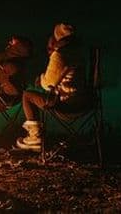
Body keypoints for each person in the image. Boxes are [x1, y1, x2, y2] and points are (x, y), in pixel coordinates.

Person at [16, 22, 89, 151]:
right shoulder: (79, 53)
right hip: (83, 101)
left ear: (57, 37)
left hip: (65, 103)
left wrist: (41, 79)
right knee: (38, 92)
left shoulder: (60, 55)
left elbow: (48, 83)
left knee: (27, 95)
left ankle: (35, 137)